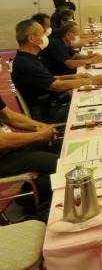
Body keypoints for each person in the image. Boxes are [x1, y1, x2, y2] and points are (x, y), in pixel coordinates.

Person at [10, 19, 102, 123]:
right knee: (96, 108)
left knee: (93, 96)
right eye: (42, 33)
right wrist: (91, 81)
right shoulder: (26, 64)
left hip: (52, 103)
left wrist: (72, 77)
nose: (45, 36)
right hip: (49, 111)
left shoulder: (29, 58)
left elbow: (48, 78)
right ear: (32, 39)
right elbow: (57, 86)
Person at [0, 79, 61, 222]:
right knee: (58, 164)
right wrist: (40, 135)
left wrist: (43, 128)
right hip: (2, 158)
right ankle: (44, 213)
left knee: (61, 145)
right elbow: (2, 141)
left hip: (8, 149)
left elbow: (9, 116)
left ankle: (21, 204)